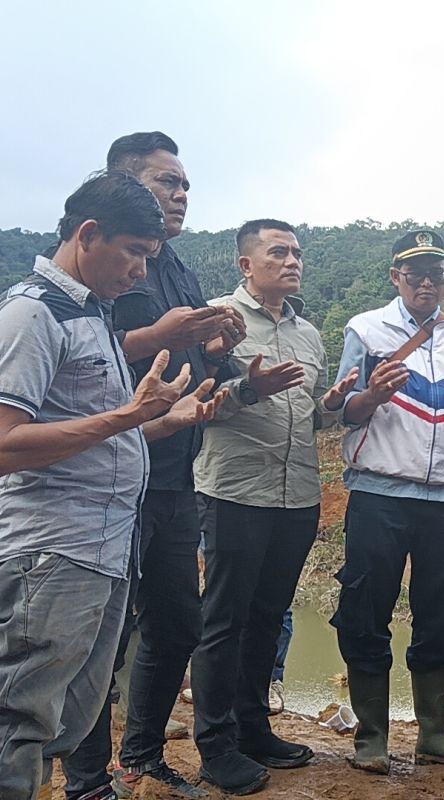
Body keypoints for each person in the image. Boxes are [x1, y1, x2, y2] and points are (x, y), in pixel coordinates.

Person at [0, 170, 225, 800]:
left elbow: (87, 435)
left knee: (60, 724)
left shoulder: (91, 316)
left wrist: (157, 421)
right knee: (19, 721)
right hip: (51, 551)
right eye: (133, 254)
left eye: (149, 260)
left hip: (100, 553)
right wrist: (128, 416)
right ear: (88, 234)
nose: (140, 274)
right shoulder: (32, 314)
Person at [60, 133, 246, 800]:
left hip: (172, 475)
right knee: (101, 637)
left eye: (186, 185)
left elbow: (190, 361)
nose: (181, 195)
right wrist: (162, 335)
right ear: (125, 188)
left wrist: (220, 350)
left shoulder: (179, 271)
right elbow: (87, 342)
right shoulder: (96, 269)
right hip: (107, 479)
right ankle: (85, 781)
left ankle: (138, 758)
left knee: (177, 622)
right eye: (168, 182)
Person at [189, 220, 359, 793]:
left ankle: (253, 728)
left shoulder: (310, 334)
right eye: (278, 252)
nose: (292, 262)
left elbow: (311, 417)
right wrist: (247, 390)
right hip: (235, 489)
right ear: (245, 264)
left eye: (297, 253)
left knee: (268, 617)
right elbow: (194, 403)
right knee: (224, 620)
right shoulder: (216, 319)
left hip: (299, 494)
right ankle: (214, 745)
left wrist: (333, 404)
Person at [331, 230, 444, 774]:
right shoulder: (365, 328)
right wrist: (372, 395)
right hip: (379, 491)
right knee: (365, 608)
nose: (427, 281)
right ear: (395, 277)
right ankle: (371, 736)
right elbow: (342, 410)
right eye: (414, 271)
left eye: (436, 272)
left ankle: (434, 733)